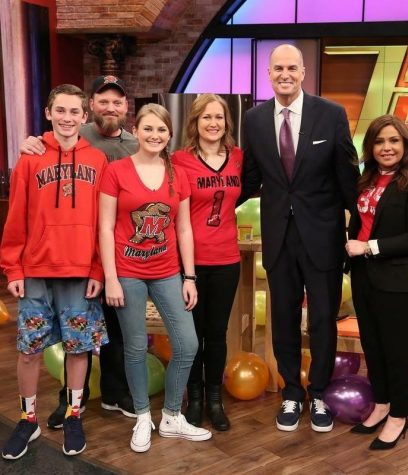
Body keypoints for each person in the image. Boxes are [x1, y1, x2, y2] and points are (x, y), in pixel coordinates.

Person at [238, 44, 359, 433]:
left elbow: (348, 181)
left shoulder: (332, 115)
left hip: (322, 237)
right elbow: (249, 180)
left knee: (323, 319)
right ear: (269, 74)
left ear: (304, 72)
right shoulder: (254, 120)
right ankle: (292, 392)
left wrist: (357, 232)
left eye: (292, 68)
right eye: (278, 69)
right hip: (278, 238)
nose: (285, 74)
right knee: (283, 319)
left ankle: (319, 393)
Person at [20, 75, 138, 428]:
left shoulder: (135, 143)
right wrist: (30, 142)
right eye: (103, 100)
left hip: (115, 254)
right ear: (92, 106)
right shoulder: (65, 139)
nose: (110, 107)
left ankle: (116, 393)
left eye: (117, 102)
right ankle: (72, 402)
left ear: (125, 108)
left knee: (115, 331)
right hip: (64, 258)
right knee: (75, 337)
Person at [0, 84, 109, 459]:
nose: (67, 118)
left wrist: (98, 268)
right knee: (29, 350)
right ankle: (28, 420)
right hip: (35, 270)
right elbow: (15, 219)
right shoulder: (29, 159)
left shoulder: (97, 161)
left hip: (80, 269)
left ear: (84, 116)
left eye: (74, 112)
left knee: (79, 347)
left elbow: (102, 223)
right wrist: (12, 267)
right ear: (49, 113)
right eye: (59, 110)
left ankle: (74, 413)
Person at [99, 103, 212, 453]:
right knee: (134, 346)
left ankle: (172, 415)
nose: (154, 135)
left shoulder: (177, 174)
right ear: (137, 130)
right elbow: (104, 226)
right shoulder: (116, 170)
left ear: (169, 134)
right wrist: (111, 278)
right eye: (148, 128)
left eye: (161, 130)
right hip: (127, 271)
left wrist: (189, 277)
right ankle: (144, 417)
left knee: (188, 343)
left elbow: (183, 228)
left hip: (167, 271)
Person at [346, 114, 408, 450]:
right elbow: (360, 223)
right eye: (380, 141)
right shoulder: (366, 179)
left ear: (406, 144)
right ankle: (381, 403)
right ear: (370, 146)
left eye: (393, 141)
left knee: (398, 351)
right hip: (365, 277)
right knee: (374, 346)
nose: (387, 147)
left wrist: (367, 247)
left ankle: (399, 415)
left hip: (400, 280)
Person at [172, 94, 242, 431]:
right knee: (192, 335)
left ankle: (215, 399)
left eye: (219, 117)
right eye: (206, 118)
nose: (213, 123)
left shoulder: (238, 158)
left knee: (216, 334)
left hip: (227, 260)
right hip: (190, 265)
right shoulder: (179, 161)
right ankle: (194, 397)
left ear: (227, 123)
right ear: (194, 122)